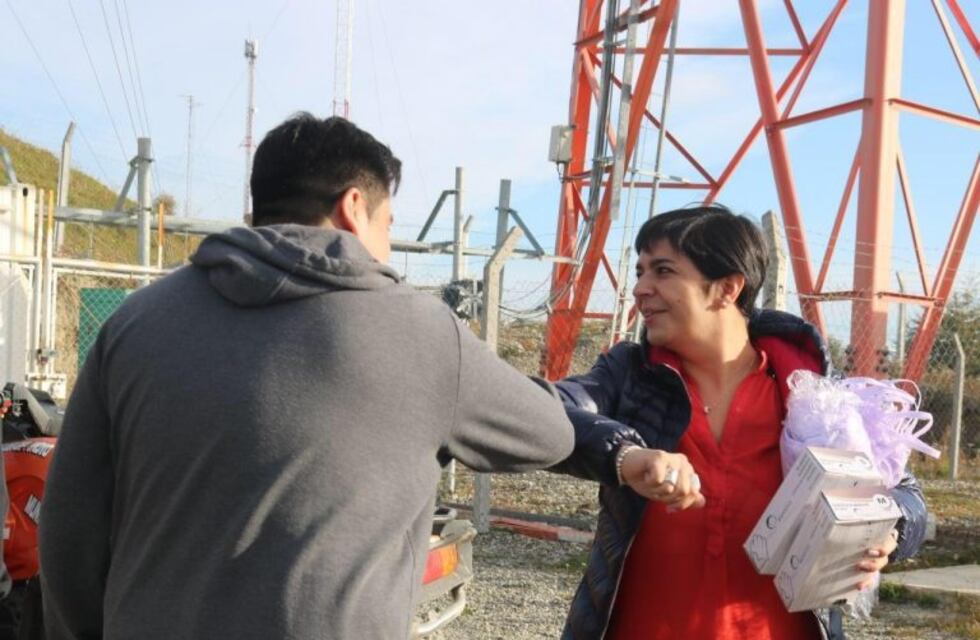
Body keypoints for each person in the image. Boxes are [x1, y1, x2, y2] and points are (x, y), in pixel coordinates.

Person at [39, 113, 575, 640]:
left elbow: (69, 528)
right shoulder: (422, 332)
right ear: (353, 207)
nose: (388, 250)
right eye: (388, 227)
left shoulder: (135, 323)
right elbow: (551, 436)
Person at [549, 205, 927, 640]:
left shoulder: (810, 395)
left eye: (663, 271)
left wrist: (889, 531)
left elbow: (905, 493)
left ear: (726, 288)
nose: (640, 289)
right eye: (640, 271)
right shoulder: (628, 377)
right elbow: (548, 411)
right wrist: (628, 454)